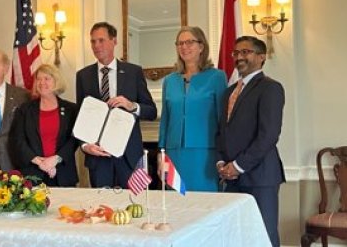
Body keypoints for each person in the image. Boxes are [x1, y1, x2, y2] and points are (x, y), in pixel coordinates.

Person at [216, 36, 285, 247]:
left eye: (246, 52)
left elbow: (269, 135)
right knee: (236, 237)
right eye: (236, 53)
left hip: (260, 177)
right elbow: (222, 132)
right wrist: (221, 163)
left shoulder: (270, 88)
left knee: (263, 236)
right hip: (231, 178)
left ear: (261, 57)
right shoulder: (229, 92)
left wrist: (238, 166)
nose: (239, 57)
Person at [76, 21, 157, 188]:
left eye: (101, 40)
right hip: (97, 157)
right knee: (102, 209)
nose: (96, 46)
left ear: (114, 41)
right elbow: (80, 117)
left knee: (133, 208)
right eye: (93, 41)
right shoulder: (83, 76)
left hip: (128, 156)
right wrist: (84, 146)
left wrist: (131, 105)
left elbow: (151, 112)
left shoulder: (133, 72)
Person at [158, 26, 227, 191]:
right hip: (174, 154)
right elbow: (165, 120)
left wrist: (223, 156)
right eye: (180, 43)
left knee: (204, 204)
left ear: (201, 46)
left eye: (189, 42)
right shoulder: (169, 80)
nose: (184, 47)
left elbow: (222, 120)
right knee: (175, 205)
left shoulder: (216, 77)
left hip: (205, 154)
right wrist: (161, 154)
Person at [9, 64, 78, 187]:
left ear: (56, 81)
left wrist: (55, 160)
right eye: (39, 79)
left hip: (62, 173)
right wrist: (39, 162)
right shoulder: (25, 109)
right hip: (32, 174)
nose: (41, 82)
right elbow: (17, 140)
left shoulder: (70, 109)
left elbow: (74, 140)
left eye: (46, 78)